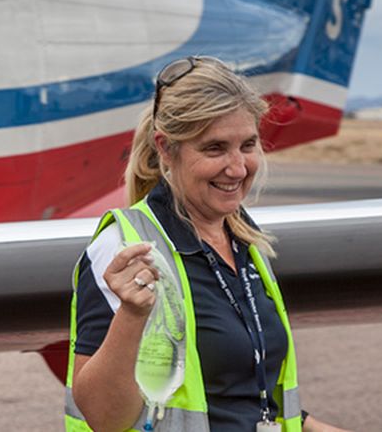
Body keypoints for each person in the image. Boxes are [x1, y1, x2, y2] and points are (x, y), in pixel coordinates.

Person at [66, 57, 348, 432]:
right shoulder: (125, 247)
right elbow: (104, 417)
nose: (238, 168)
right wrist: (132, 315)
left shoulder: (244, 240)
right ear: (166, 149)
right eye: (215, 148)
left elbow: (241, 391)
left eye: (248, 145)